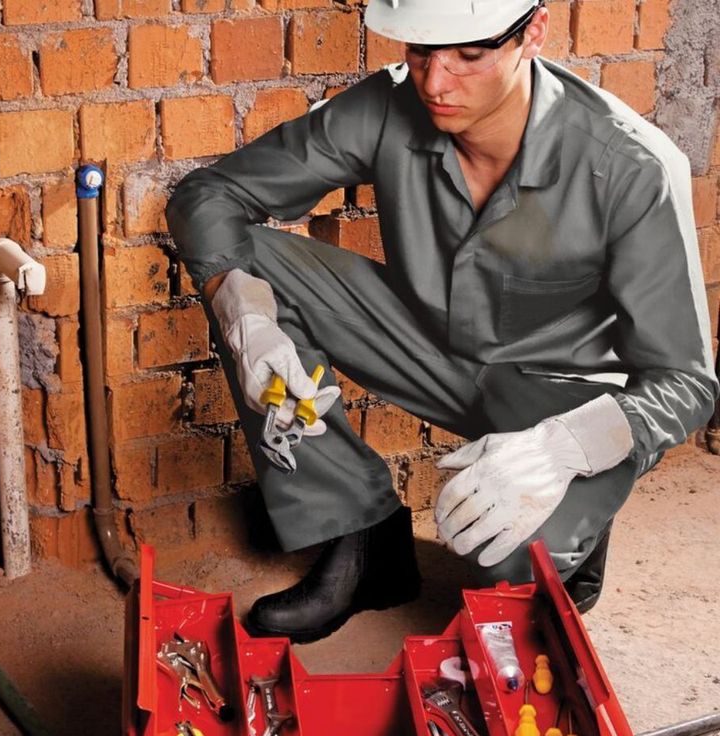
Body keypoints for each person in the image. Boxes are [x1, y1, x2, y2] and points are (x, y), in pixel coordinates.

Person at [166, 0, 718, 644]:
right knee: (243, 263)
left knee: (506, 574)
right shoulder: (388, 105)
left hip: (561, 400)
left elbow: (686, 384)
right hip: (432, 346)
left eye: (470, 56)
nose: (435, 82)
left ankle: (576, 531)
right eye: (422, 52)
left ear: (532, 33)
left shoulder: (630, 165)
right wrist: (244, 315)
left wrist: (565, 449)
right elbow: (209, 195)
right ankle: (361, 535)